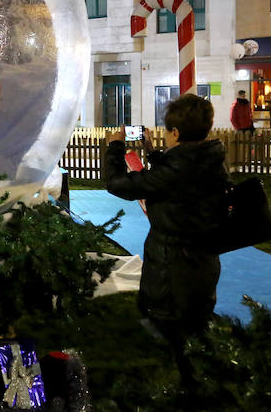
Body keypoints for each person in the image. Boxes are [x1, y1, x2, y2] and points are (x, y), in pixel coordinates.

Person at [103, 94, 229, 398]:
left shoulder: (174, 172)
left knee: (167, 326)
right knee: (196, 321)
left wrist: (114, 147)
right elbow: (178, 170)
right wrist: (152, 151)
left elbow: (118, 184)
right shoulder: (212, 160)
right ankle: (199, 381)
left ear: (174, 133)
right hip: (204, 260)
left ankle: (184, 389)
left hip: (171, 266)